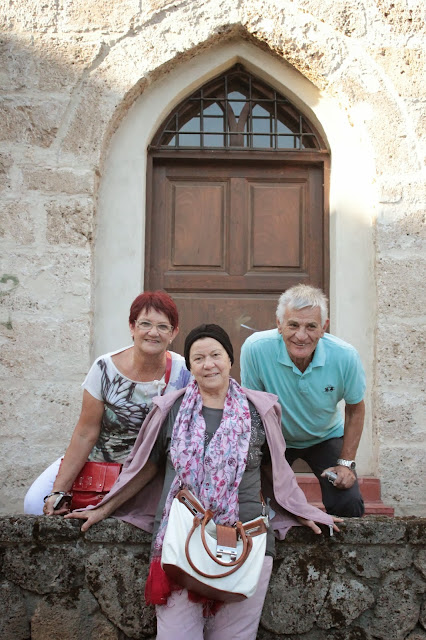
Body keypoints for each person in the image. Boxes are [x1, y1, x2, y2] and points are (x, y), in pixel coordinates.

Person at [66, 324, 340, 640]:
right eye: (198, 358)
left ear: (230, 360)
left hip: (244, 540)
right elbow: (146, 468)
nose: (208, 364)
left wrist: (304, 510)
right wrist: (102, 509)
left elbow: (275, 470)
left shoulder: (260, 410)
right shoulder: (171, 408)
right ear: (190, 366)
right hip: (180, 540)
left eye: (215, 355)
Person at [24, 290, 191, 515]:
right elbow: (85, 432)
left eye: (163, 326)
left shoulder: (185, 372)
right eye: (145, 324)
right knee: (35, 503)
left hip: (147, 470)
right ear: (132, 327)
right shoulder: (104, 368)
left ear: (174, 333)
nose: (153, 333)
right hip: (98, 463)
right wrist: (59, 490)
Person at [240, 284, 366, 518]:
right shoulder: (255, 349)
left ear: (323, 328)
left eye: (311, 326)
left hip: (324, 436)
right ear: (279, 324)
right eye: (293, 325)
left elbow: (355, 409)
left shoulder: (345, 356)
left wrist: (346, 463)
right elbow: (253, 409)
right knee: (256, 502)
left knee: (348, 503)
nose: (301, 335)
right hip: (275, 437)